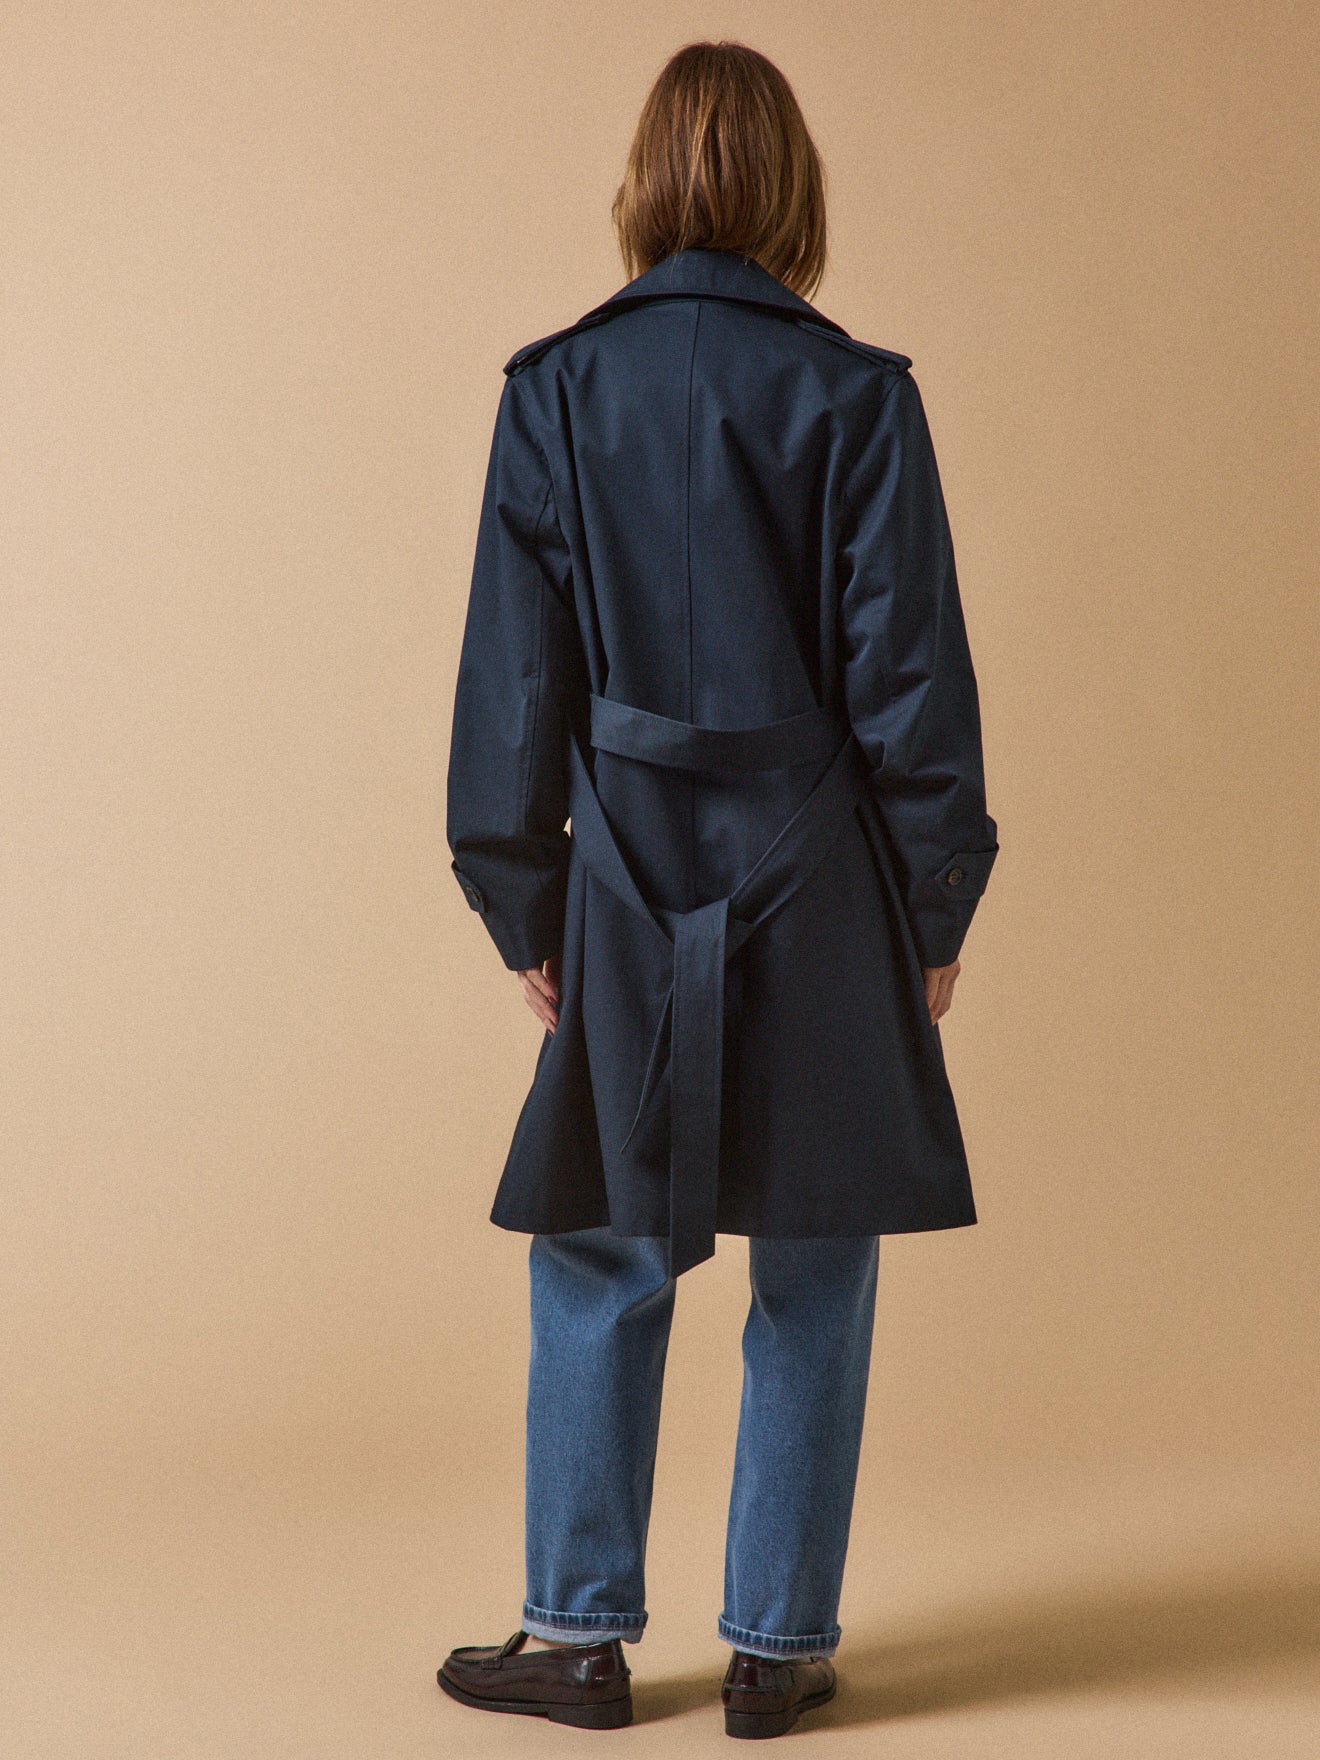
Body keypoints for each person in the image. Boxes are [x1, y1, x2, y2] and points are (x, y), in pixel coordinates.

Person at [439, 38, 999, 1740]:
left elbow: (514, 685)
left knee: (600, 1242)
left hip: (618, 868)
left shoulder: (554, 389)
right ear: (792, 187)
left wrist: (521, 897)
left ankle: (577, 1637)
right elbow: (910, 684)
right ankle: (777, 1645)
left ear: (644, 182)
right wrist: (935, 904)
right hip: (820, 866)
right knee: (815, 1249)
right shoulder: (860, 395)